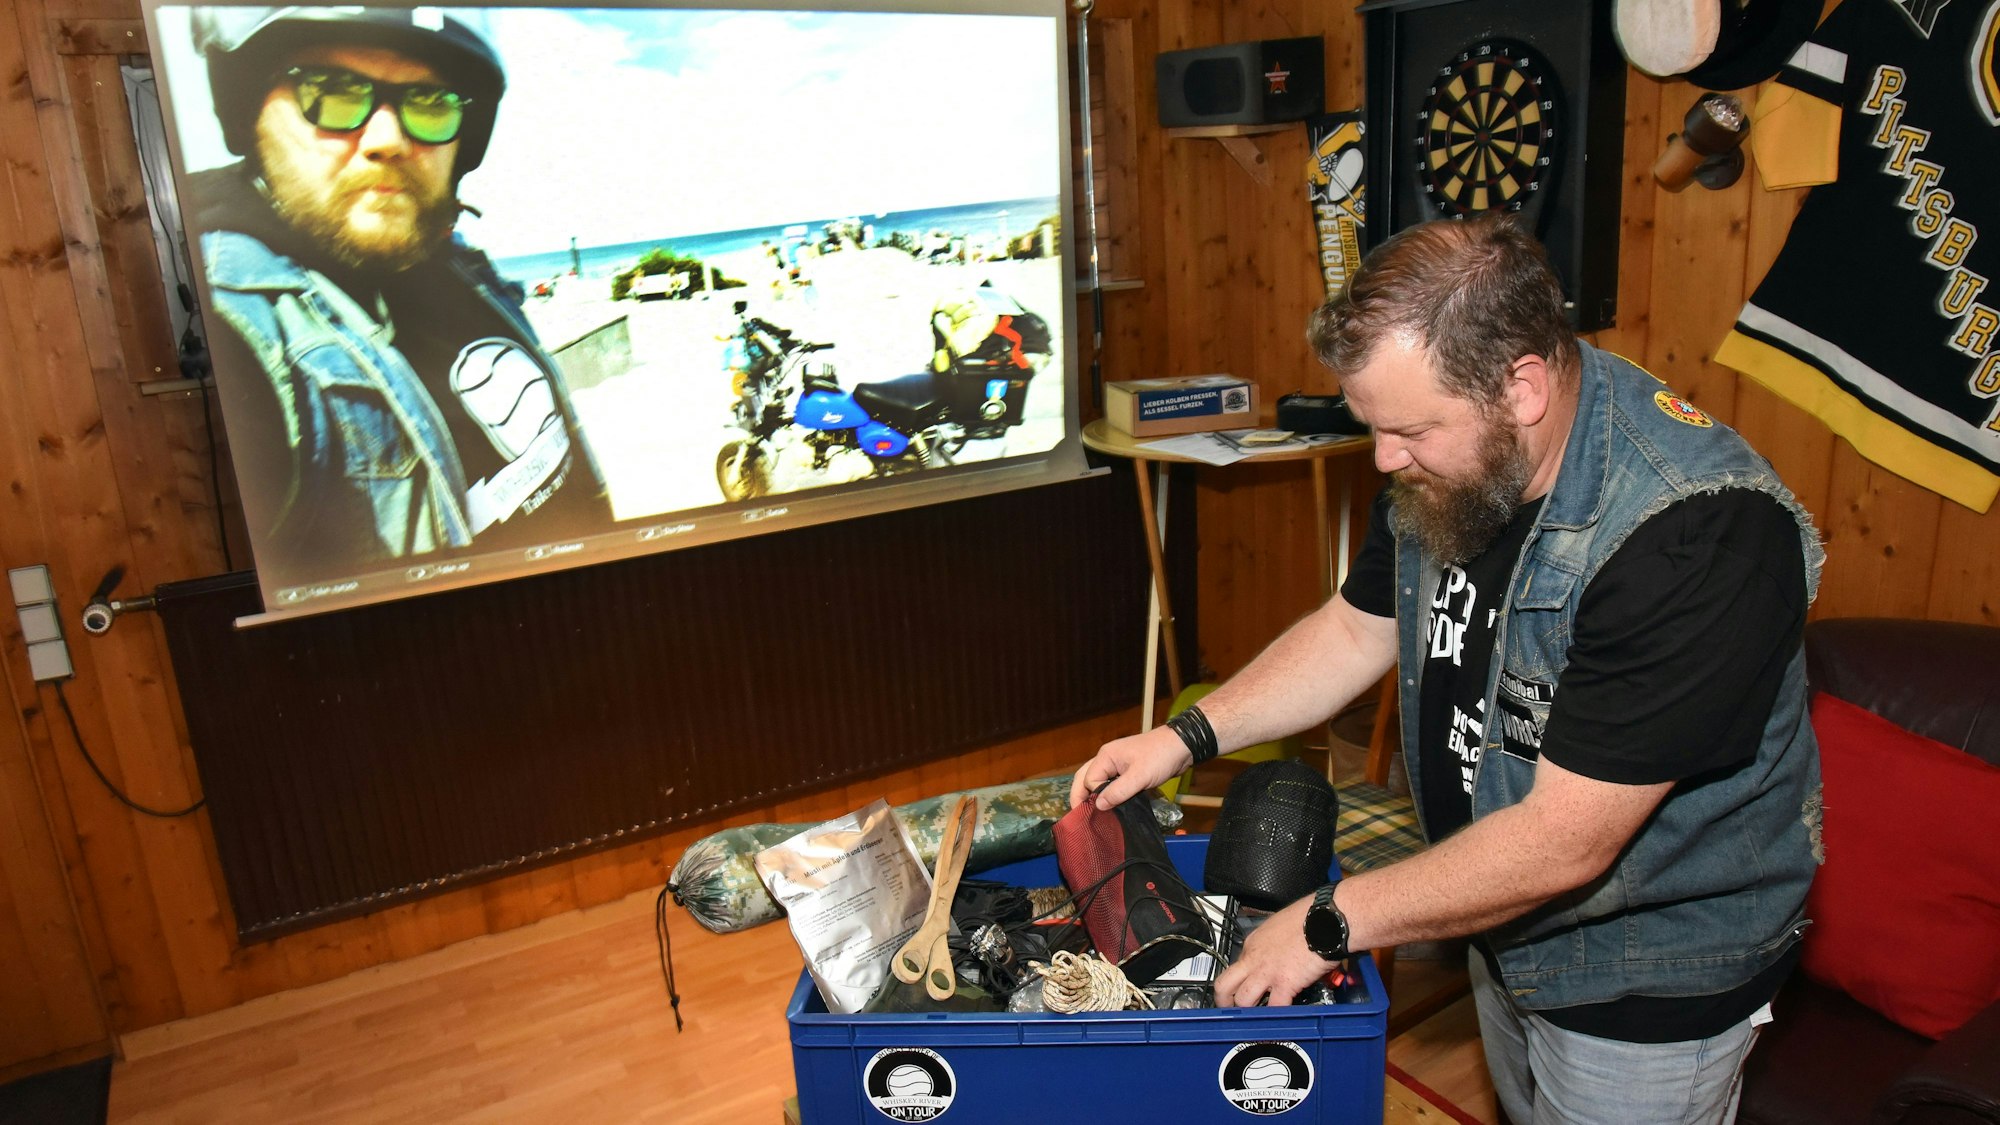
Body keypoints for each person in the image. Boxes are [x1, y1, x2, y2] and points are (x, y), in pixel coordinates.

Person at [1072, 214, 1826, 1124]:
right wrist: (1182, 735)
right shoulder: (1466, 461)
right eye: (1375, 426)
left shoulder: (1696, 539)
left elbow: (1564, 840)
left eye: (1410, 429)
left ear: (1523, 387)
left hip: (1644, 981)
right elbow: (1356, 630)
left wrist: (1328, 921)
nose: (1386, 458)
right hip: (1495, 909)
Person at [186, 7, 609, 585]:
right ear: (250, 111)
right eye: (331, 91)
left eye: (429, 103)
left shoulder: (451, 263)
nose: (389, 140)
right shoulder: (235, 322)